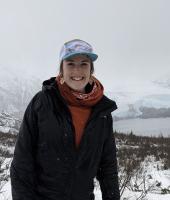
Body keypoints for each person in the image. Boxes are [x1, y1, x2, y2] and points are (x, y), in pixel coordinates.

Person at [10, 39, 120, 200]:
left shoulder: (101, 110)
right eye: (70, 64)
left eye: (84, 64)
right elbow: (22, 163)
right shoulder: (42, 102)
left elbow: (108, 166)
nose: (77, 70)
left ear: (91, 69)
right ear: (61, 69)